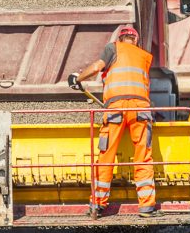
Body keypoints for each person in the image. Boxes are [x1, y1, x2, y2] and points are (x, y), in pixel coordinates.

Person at [68, 26, 161, 220]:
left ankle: (98, 204)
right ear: (135, 40)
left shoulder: (113, 48)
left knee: (106, 156)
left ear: (121, 38)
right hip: (140, 110)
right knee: (143, 156)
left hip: (116, 109)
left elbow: (96, 68)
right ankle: (147, 206)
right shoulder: (145, 56)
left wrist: (78, 78)